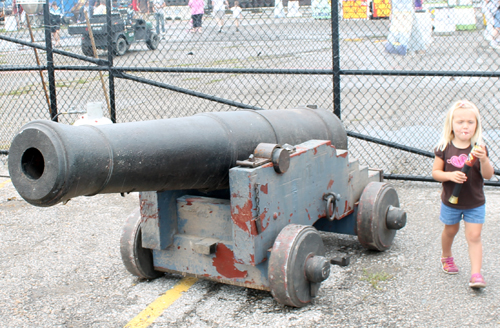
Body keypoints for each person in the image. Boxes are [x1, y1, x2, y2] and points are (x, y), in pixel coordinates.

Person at [432, 100, 494, 289]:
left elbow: (488, 175)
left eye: (470, 122)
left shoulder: (479, 148)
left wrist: (484, 160)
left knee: (474, 236)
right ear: (451, 124)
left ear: (476, 125)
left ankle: (476, 274)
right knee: (451, 230)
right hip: (451, 202)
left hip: (475, 202)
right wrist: (450, 175)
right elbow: (436, 173)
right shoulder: (444, 147)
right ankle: (446, 256)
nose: (465, 126)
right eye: (460, 122)